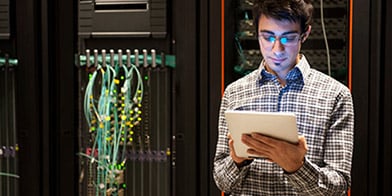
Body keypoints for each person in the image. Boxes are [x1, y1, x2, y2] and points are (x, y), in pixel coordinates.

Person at [213, 0, 354, 195]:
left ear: (304, 35)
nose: (277, 49)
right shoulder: (234, 93)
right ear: (257, 34)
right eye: (268, 37)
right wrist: (237, 161)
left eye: (287, 38)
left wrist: (297, 167)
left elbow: (339, 185)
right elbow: (222, 181)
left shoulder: (335, 95)